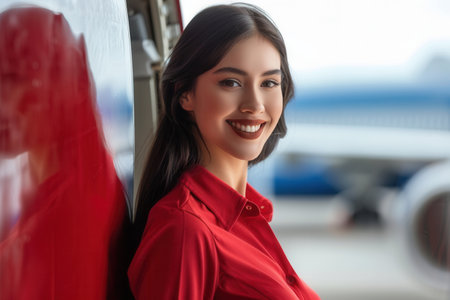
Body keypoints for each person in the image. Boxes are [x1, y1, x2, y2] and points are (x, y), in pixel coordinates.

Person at [128, 3, 320, 300]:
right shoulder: (185, 230)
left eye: (269, 82)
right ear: (185, 94)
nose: (255, 104)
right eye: (231, 82)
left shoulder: (246, 216)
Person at [0, 6, 131, 299]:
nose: (2, 99)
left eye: (13, 77)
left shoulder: (70, 216)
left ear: (62, 81)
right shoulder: (73, 180)